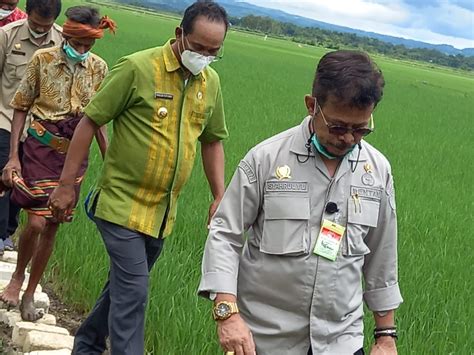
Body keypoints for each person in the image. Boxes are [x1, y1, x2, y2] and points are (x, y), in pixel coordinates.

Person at [48, 1, 229, 353]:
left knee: (122, 288)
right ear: (179, 34)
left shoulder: (210, 82)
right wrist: (66, 184)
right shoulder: (138, 67)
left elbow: (212, 141)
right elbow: (90, 121)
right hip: (120, 204)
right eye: (199, 47)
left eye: (214, 51)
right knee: (134, 293)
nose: (204, 56)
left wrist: (219, 195)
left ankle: (86, 345)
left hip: (162, 213)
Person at [199, 50, 403, 355]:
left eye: (360, 129)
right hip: (265, 341)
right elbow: (224, 235)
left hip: (341, 342)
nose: (348, 138)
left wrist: (385, 336)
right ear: (312, 106)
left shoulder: (377, 171)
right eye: (337, 126)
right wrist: (227, 315)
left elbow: (382, 256)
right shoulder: (266, 159)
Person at [0, 5, 114, 321]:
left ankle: (30, 292)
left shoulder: (99, 68)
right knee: (35, 221)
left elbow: (98, 118)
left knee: (52, 224)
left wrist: (110, 160)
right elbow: (20, 106)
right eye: (77, 43)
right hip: (39, 147)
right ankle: (18, 275)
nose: (81, 50)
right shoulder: (43, 60)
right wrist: (13, 157)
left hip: (73, 156)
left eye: (87, 46)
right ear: (66, 34)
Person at [0, 0, 62, 255]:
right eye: (35, 24)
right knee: (5, 173)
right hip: (4, 118)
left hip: (39, 128)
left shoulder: (61, 42)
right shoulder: (7, 35)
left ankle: (8, 231)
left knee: (25, 180)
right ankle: (0, 234)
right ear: (29, 14)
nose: (39, 29)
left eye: (44, 26)